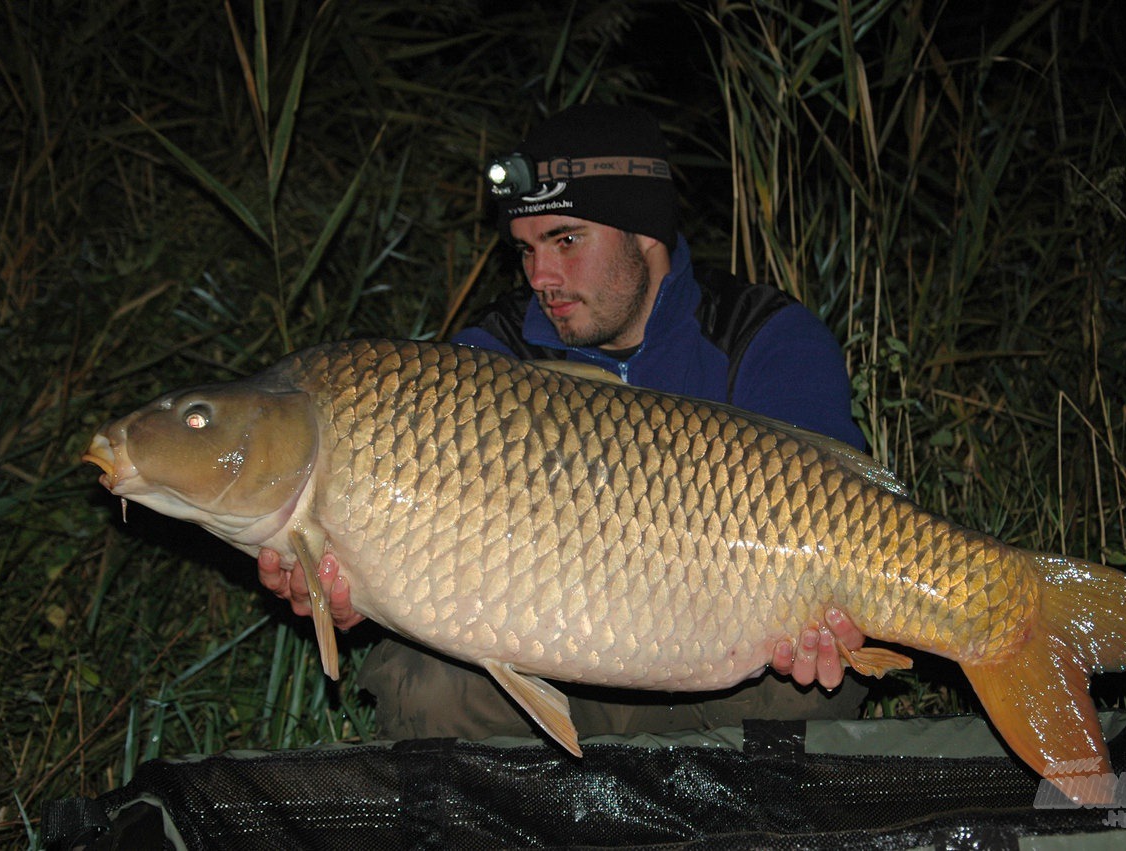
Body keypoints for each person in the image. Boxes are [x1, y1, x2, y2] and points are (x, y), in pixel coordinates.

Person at [259, 103, 870, 741]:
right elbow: (423, 551)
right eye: (525, 250)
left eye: (567, 240)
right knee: (427, 689)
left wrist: (830, 616)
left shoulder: (763, 338)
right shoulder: (487, 360)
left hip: (723, 664)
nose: (540, 277)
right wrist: (350, 586)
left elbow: (839, 513)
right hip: (556, 668)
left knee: (813, 689)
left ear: (645, 234)